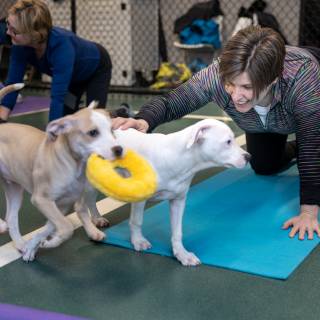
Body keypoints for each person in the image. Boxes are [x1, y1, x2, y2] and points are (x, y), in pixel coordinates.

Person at [112, 25, 320, 241]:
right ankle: (295, 147)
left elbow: (312, 145)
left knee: (311, 142)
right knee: (264, 165)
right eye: (231, 84)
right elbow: (175, 100)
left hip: (312, 107)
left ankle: (302, 143)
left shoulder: (303, 80)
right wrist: (143, 120)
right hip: (267, 121)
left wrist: (308, 213)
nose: (236, 96)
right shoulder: (216, 75)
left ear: (272, 81)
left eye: (246, 87)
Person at [0, 0, 112, 123]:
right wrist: (1, 120)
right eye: (7, 24)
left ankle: (119, 113)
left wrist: (51, 135)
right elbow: (13, 81)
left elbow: (58, 96)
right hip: (72, 79)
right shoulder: (19, 44)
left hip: (96, 69)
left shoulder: (62, 46)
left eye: (14, 31)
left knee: (95, 119)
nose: (7, 32)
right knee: (65, 116)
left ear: (34, 34)